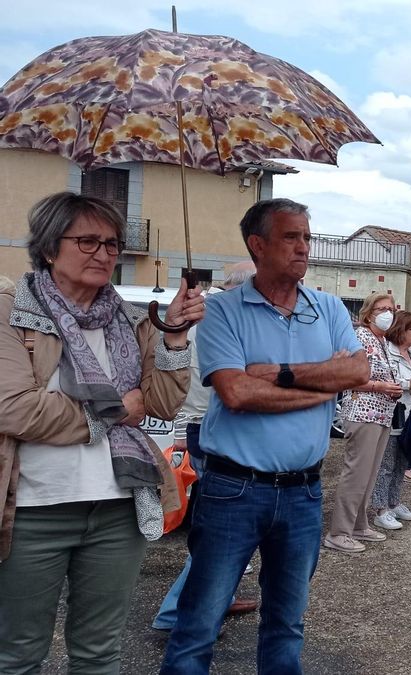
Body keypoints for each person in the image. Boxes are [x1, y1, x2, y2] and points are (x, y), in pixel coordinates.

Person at [161, 198, 368, 673]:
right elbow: (236, 392)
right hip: (233, 490)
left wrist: (282, 374)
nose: (304, 247)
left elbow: (357, 370)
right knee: (198, 626)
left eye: (307, 237)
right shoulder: (222, 312)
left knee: (287, 622)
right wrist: (323, 387)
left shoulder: (330, 307)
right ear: (258, 245)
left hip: (304, 492)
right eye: (291, 237)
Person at [0, 192, 201, 672]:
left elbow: (161, 401)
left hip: (118, 506)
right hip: (31, 510)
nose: (104, 253)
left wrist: (174, 333)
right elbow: (13, 409)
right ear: (50, 248)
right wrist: (113, 412)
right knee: (18, 653)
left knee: (99, 652)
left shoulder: (132, 318)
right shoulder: (11, 311)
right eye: (87, 241)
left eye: (111, 244)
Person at [153, 263, 258, 634]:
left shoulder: (209, 315)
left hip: (203, 427)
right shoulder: (219, 320)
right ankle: (174, 612)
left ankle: (216, 599)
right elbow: (216, 385)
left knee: (220, 529)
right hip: (212, 430)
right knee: (223, 532)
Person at [323, 293, 406, 553]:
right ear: (368, 313)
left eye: (391, 309)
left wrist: (391, 388)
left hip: (381, 414)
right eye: (382, 309)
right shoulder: (360, 338)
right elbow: (346, 377)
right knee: (356, 474)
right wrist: (380, 386)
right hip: (362, 412)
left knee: (369, 474)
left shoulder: (380, 341)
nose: (387, 313)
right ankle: (339, 532)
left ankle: (359, 524)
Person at [367, 310, 411, 532]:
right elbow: (382, 377)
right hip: (392, 413)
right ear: (402, 330)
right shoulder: (387, 351)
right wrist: (405, 383)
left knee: (402, 462)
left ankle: (394, 501)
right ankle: (381, 509)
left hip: (410, 415)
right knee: (386, 464)